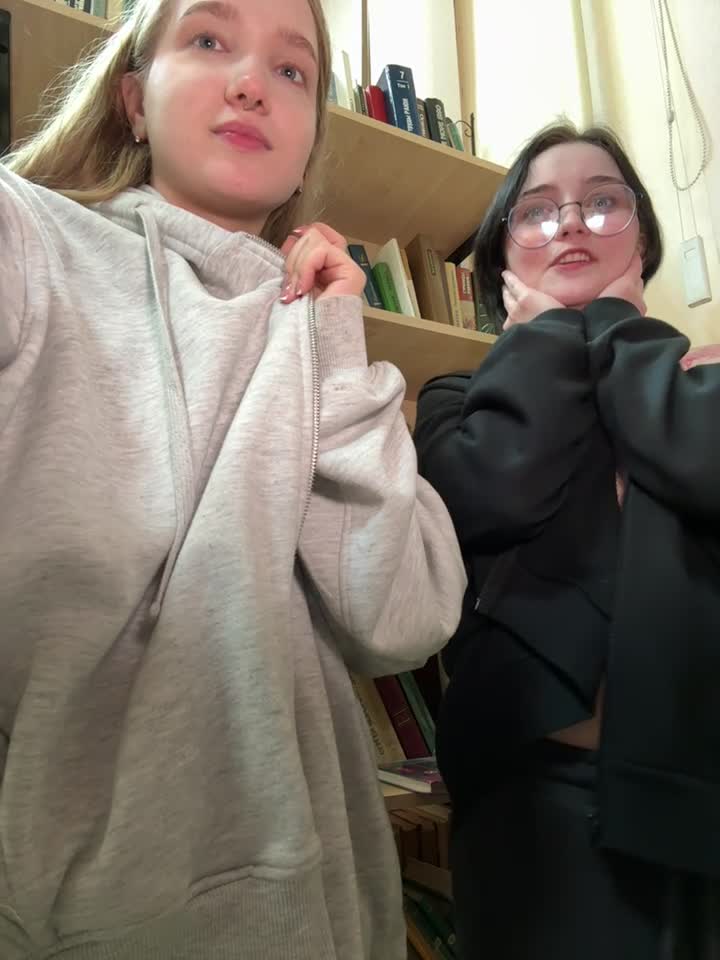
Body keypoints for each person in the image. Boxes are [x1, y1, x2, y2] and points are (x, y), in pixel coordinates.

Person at [0, 0, 467, 956]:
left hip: (335, 914)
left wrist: (337, 338)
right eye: (209, 40)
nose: (252, 83)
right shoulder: (29, 240)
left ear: (308, 145)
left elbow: (403, 618)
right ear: (134, 99)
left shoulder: (320, 322)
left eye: (292, 70)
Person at [414, 122, 720, 959]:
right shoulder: (452, 399)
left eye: (602, 202)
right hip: (527, 813)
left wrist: (618, 326)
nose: (573, 223)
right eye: (538, 212)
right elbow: (491, 494)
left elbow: (704, 462)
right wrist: (546, 339)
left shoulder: (699, 377)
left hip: (697, 801)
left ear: (642, 241)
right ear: (499, 260)